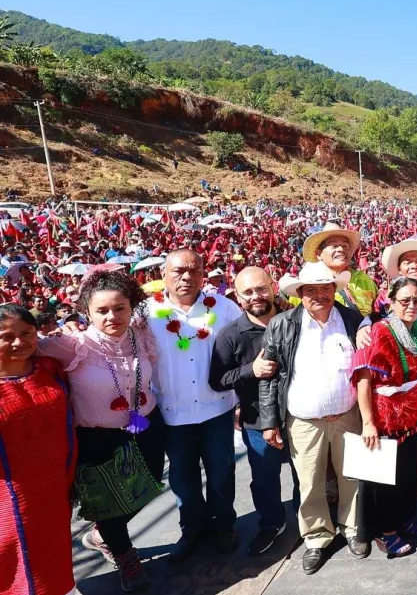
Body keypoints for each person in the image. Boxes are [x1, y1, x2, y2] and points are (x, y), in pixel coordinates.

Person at [39, 270, 165, 592]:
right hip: (97, 438)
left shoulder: (142, 333)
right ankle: (123, 554)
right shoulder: (71, 345)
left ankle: (102, 533)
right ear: (87, 312)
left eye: (120, 308)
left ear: (131, 306)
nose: (112, 316)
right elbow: (27, 348)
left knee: (146, 488)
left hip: (145, 427)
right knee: (109, 504)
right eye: (102, 310)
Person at [258, 261, 365, 575]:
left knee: (353, 478)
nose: (320, 295)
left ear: (334, 290)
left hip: (348, 415)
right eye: (312, 290)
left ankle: (353, 528)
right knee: (310, 483)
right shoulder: (282, 324)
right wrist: (269, 422)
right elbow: (269, 377)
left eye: (326, 288)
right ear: (299, 294)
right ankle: (317, 538)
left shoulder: (351, 318)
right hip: (303, 420)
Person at [145, 249, 244, 563]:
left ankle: (224, 525)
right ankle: (192, 529)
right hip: (173, 412)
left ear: (204, 274)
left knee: (220, 473)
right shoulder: (146, 314)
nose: (186, 277)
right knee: (182, 478)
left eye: (193, 270)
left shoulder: (225, 309)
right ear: (164, 275)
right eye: (178, 271)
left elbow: (244, 351)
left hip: (217, 408)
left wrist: (242, 401)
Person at [208, 266, 297, 557]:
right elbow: (218, 379)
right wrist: (251, 370)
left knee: (306, 475)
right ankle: (272, 524)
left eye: (260, 289)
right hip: (257, 420)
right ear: (238, 296)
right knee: (264, 478)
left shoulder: (295, 321)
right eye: (247, 292)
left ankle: (310, 521)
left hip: (300, 415)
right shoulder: (230, 335)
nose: (255, 296)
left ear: (273, 287)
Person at [353, 277, 417, 557]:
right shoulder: (378, 332)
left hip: (410, 417)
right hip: (385, 419)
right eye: (405, 300)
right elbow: (363, 379)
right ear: (391, 301)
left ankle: (401, 519)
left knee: (407, 476)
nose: (411, 305)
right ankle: (386, 533)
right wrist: (368, 423)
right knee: (385, 481)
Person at [0, 305, 76, 595]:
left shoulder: (49, 369)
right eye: (6, 336)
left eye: (26, 333)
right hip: (9, 498)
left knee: (52, 557)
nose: (19, 342)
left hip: (55, 488)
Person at [301, 221, 379, 319]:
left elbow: (377, 311)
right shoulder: (308, 283)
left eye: (345, 246)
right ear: (318, 253)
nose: (341, 249)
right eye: (334, 246)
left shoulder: (363, 279)